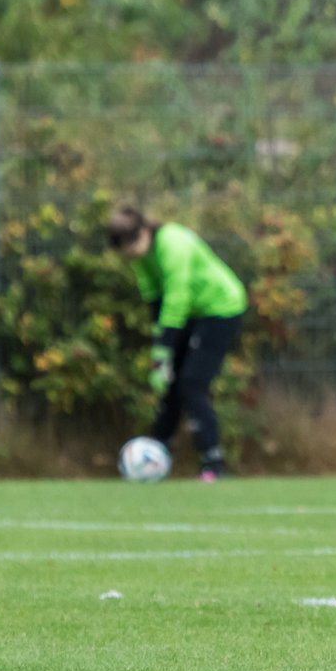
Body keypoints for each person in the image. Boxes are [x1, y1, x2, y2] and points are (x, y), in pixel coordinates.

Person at [107, 204, 247, 483]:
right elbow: (155, 301)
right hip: (193, 313)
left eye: (133, 244)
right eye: (125, 250)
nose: (131, 253)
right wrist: (161, 358)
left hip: (221, 308)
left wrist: (162, 352)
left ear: (145, 231)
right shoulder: (141, 257)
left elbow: (176, 299)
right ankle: (158, 453)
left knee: (192, 384)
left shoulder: (173, 243)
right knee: (170, 386)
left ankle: (213, 463)